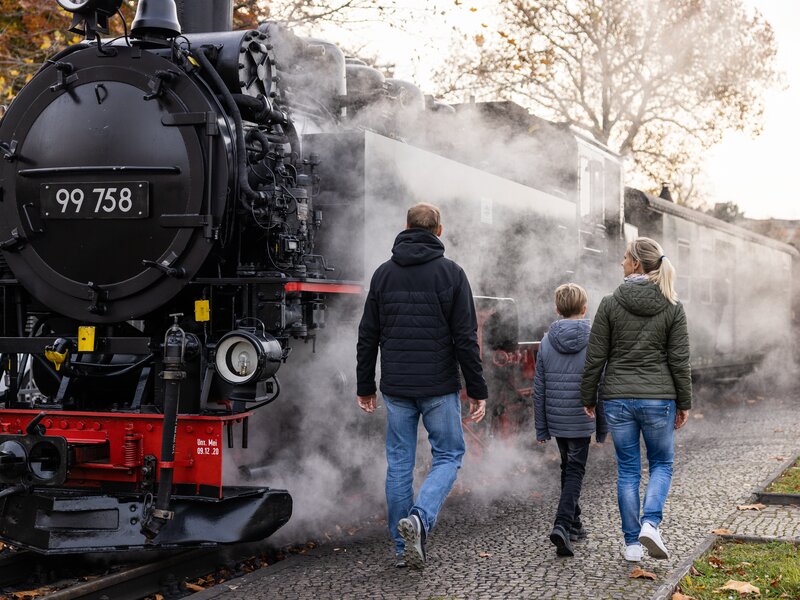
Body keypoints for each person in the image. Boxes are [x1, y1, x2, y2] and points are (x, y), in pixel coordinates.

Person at [356, 202, 488, 570]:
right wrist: (477, 388)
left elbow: (368, 335)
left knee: (399, 464)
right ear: (439, 231)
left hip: (396, 386)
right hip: (438, 385)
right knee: (448, 455)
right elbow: (466, 338)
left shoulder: (383, 275)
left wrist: (365, 384)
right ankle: (420, 518)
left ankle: (402, 548)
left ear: (406, 226)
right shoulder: (451, 274)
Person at [580, 237, 691, 563]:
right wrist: (684, 402)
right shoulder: (673, 306)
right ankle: (650, 523)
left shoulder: (611, 303)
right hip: (659, 399)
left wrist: (588, 396)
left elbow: (595, 356)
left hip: (617, 399)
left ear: (637, 264)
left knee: (628, 470)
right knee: (661, 464)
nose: (621, 261)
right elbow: (679, 361)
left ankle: (631, 544)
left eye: (625, 257)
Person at [534, 283, 607, 558]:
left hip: (557, 418)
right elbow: (601, 385)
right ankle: (562, 524)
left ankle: (575, 524)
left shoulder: (545, 342)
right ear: (585, 308)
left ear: (557, 309)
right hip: (581, 417)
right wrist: (601, 428)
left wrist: (541, 426)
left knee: (568, 467)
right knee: (575, 470)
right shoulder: (595, 340)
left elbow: (539, 387)